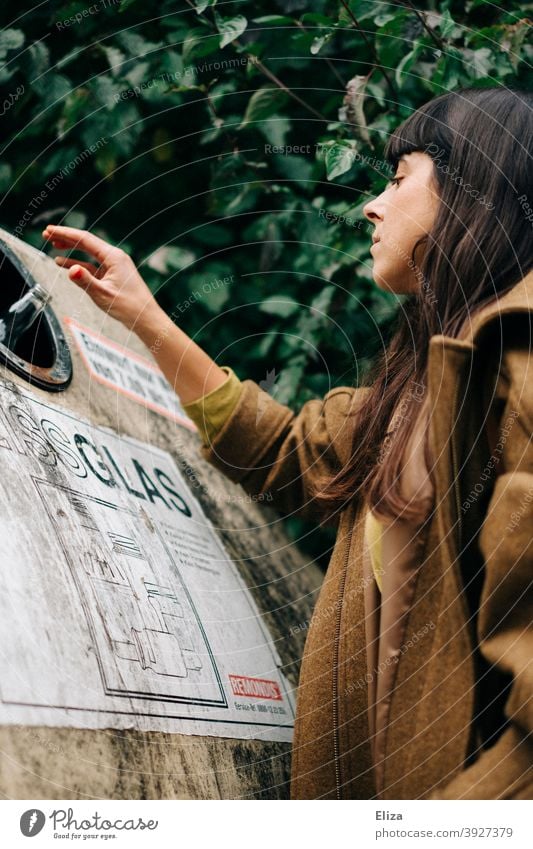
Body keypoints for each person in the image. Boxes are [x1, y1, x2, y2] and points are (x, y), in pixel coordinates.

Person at [42, 86, 533, 800]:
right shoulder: (424, 386)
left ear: (470, 193)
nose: (372, 204)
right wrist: (144, 315)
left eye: (399, 180)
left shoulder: (518, 375)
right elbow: (286, 448)